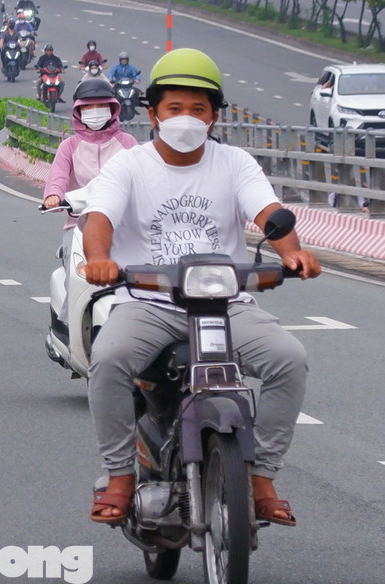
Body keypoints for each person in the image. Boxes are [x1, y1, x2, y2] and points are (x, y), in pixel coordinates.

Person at [80, 48, 320, 527]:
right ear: (153, 113)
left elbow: (268, 212)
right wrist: (100, 260)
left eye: (198, 109)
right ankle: (120, 475)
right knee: (107, 360)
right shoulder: (128, 166)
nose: (186, 118)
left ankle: (262, 476)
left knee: (289, 360)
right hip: (149, 302)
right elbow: (98, 216)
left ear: (214, 117)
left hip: (225, 303)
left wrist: (291, 250)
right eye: (174, 108)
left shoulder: (234, 163)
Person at [42, 77, 138, 316]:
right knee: (75, 276)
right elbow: (58, 176)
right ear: (78, 111)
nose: (94, 112)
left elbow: (143, 177)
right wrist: (54, 195)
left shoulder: (128, 143)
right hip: (78, 227)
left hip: (122, 226)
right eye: (87, 107)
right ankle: (67, 324)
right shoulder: (69, 146)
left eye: (100, 106)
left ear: (113, 108)